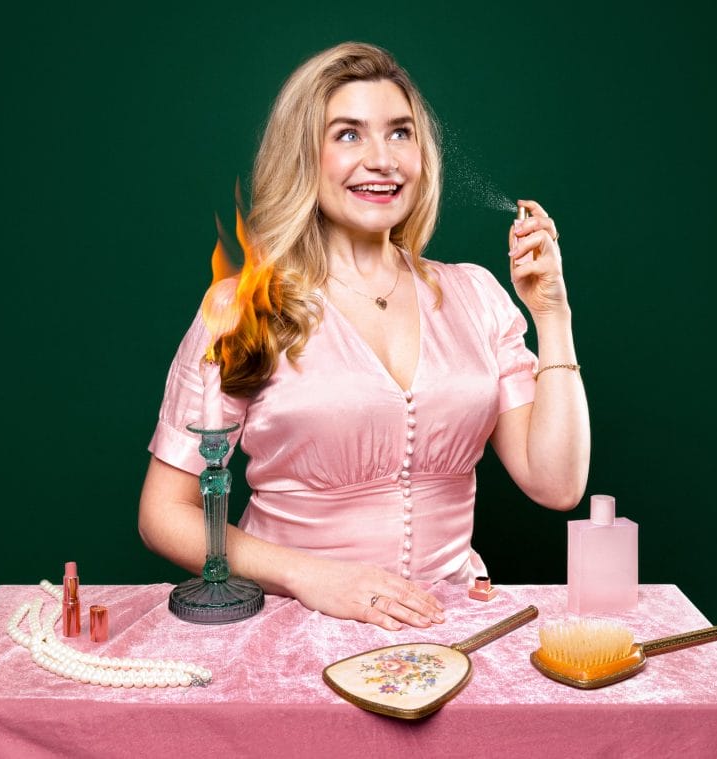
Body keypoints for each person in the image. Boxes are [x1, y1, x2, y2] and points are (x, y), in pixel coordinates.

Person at [139, 42, 589, 632]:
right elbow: (163, 514)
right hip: (287, 627)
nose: (382, 159)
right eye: (348, 135)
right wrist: (311, 576)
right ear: (306, 157)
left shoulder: (477, 296)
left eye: (400, 133)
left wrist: (553, 316)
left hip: (447, 633)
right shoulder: (246, 305)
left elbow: (556, 484)